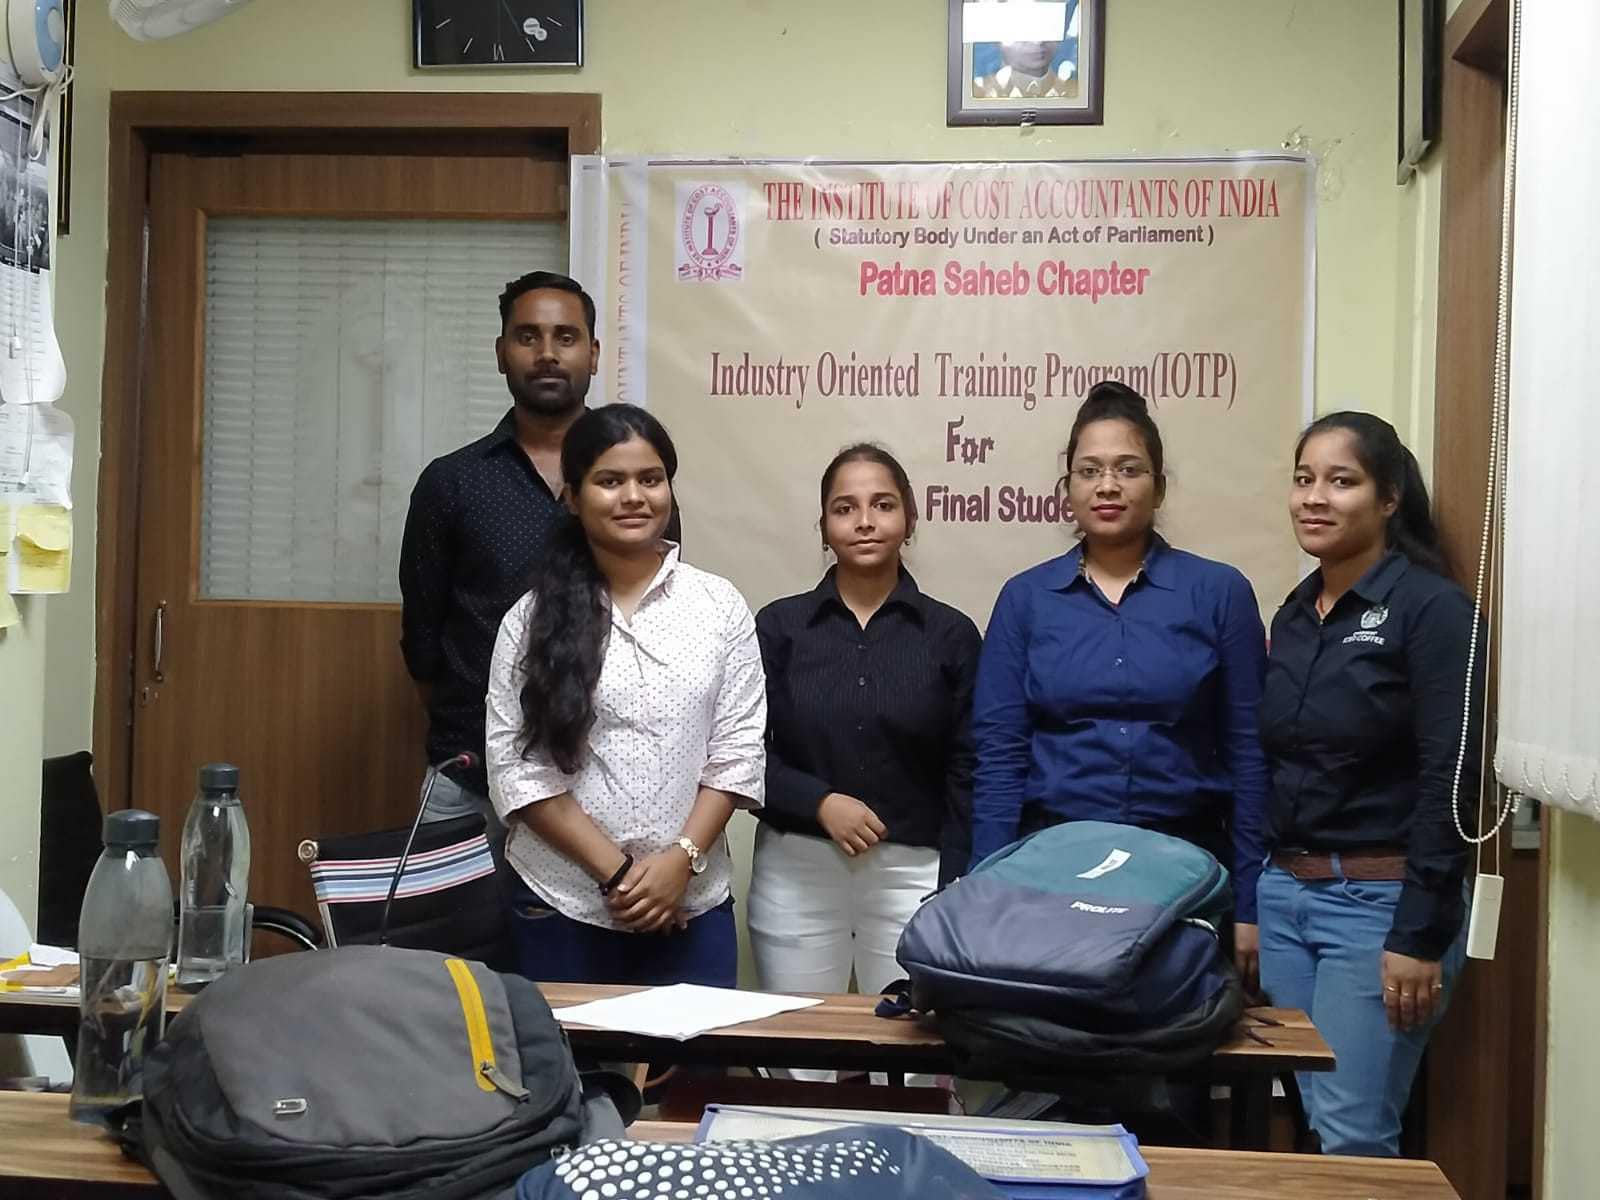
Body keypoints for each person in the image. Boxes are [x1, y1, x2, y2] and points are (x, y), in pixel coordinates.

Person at [970, 381, 1269, 988]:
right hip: (1053, 869)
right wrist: (985, 889)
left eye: (1128, 469)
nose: (1108, 485)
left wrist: (1251, 902)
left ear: (1159, 486)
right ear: (1068, 490)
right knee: (1057, 1036)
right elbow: (999, 757)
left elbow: (1251, 754)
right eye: (1090, 471)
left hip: (1186, 867)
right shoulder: (1025, 599)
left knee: (1175, 1034)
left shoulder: (1220, 593)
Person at [1257, 412, 1478, 1157]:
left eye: (1341, 481)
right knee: (1313, 1123)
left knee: (1353, 1136)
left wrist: (1419, 932)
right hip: (1286, 899)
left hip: (1377, 907)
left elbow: (1451, 776)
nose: (1315, 498)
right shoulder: (1295, 613)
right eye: (1303, 479)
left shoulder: (1434, 609)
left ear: (1388, 499)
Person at [484, 404, 764, 986]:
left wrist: (679, 863)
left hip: (691, 904)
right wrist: (621, 876)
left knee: (696, 1051)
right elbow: (518, 772)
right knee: (565, 1051)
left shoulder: (719, 606)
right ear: (572, 497)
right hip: (562, 904)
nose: (634, 497)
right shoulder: (529, 620)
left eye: (650, 479)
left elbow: (738, 755)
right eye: (610, 481)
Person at [748, 444, 982, 1006]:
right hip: (797, 867)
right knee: (799, 1041)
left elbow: (969, 767)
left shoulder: (951, 635)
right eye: (845, 508)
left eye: (883, 504)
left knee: (909, 1043)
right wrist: (819, 802)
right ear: (824, 527)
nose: (865, 521)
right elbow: (741, 752)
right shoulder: (778, 627)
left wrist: (956, 881)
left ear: (910, 519)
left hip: (915, 873)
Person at [399, 270, 602, 844]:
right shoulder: (451, 483)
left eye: (565, 337)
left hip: (603, 781)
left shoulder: (635, 488)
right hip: (470, 779)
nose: (547, 353)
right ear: (500, 353)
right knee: (451, 913)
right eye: (527, 336)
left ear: (593, 354)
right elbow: (423, 644)